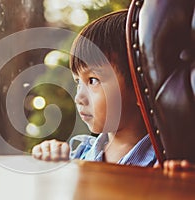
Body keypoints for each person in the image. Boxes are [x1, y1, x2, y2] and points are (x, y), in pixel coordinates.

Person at [32, 10, 157, 167]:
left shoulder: (165, 164)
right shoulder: (78, 155)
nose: (79, 98)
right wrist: (49, 158)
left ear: (140, 85)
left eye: (92, 80)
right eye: (78, 82)